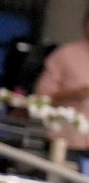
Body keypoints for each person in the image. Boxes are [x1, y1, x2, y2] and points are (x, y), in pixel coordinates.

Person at [33, 11, 89, 152]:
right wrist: (72, 94)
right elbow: (41, 97)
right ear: (86, 25)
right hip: (67, 143)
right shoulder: (65, 55)